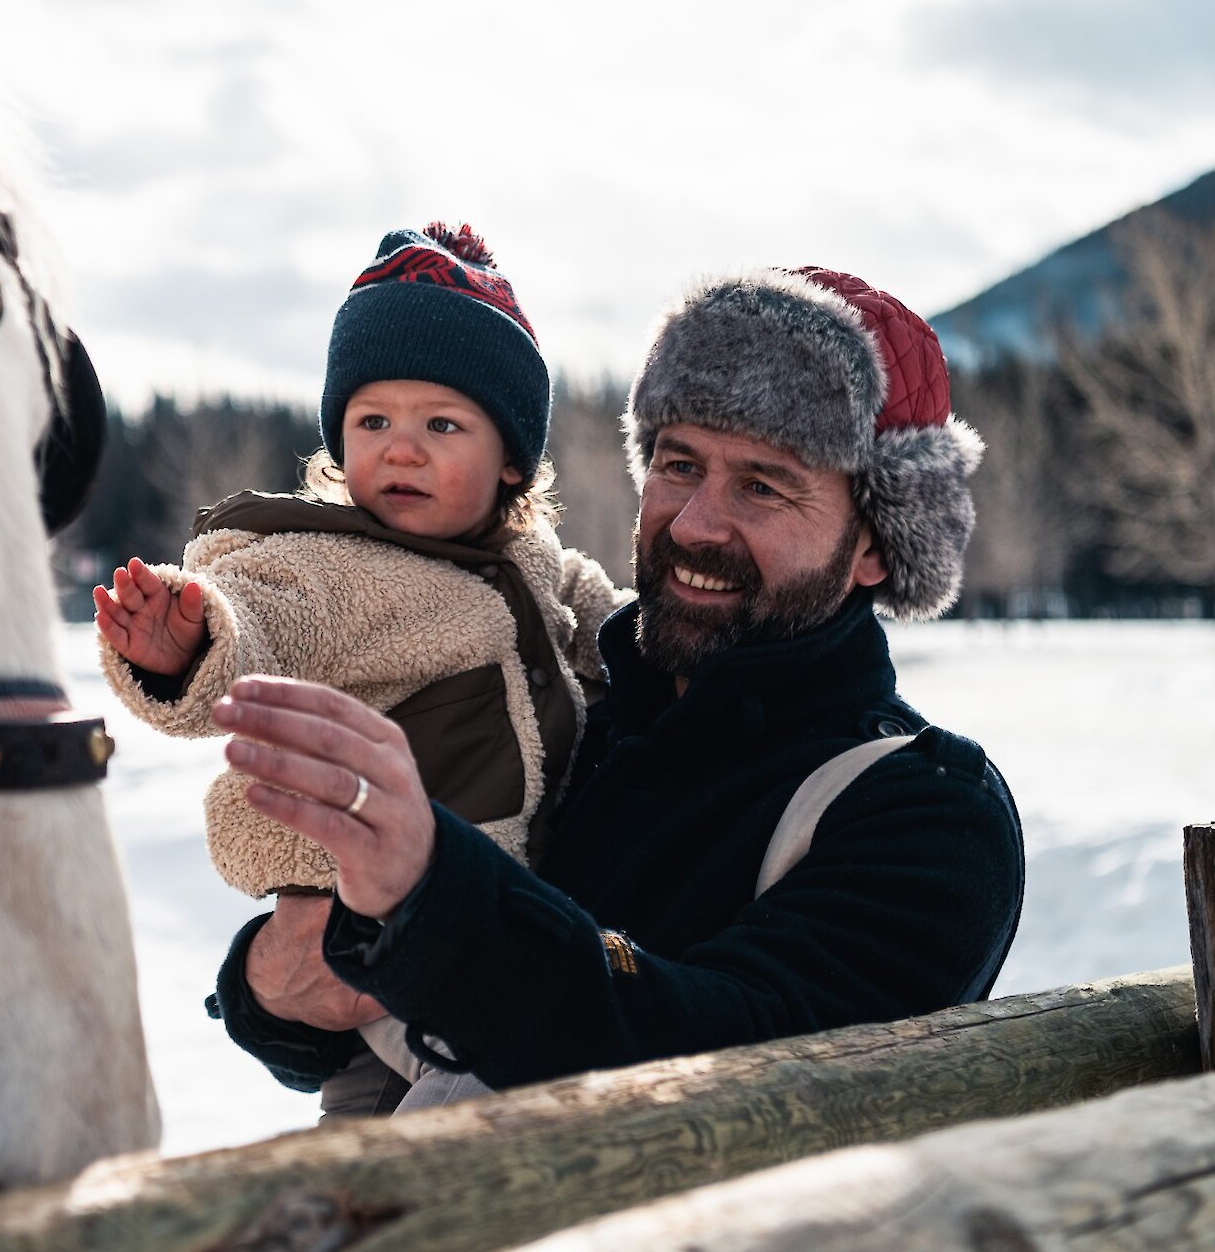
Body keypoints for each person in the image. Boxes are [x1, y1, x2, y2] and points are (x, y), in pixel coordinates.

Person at [204, 266, 1024, 1107]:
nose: (697, 524)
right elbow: (329, 1005)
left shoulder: (925, 812)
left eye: (763, 485)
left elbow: (725, 1059)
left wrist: (432, 904)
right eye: (678, 465)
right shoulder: (566, 703)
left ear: (877, 546)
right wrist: (269, 981)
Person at [95, 223, 628, 1115]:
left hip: (482, 910)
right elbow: (257, 622)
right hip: (367, 913)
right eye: (373, 420)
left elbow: (602, 619)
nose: (401, 447)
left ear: (510, 461)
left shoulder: (535, 560)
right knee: (467, 1097)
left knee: (393, 1116)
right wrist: (190, 643)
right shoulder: (323, 563)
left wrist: (654, 640)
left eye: (441, 424)